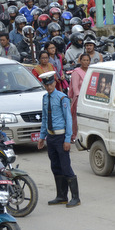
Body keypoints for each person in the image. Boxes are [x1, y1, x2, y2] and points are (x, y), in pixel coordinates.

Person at [37, 71, 81, 208]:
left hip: (61, 136)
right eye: (46, 84)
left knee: (65, 166)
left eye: (51, 84)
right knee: (55, 166)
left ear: (55, 83)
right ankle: (61, 196)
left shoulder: (62, 98)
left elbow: (68, 119)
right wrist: (42, 136)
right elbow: (44, 118)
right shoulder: (45, 98)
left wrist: (68, 139)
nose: (49, 87)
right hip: (51, 137)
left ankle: (75, 197)